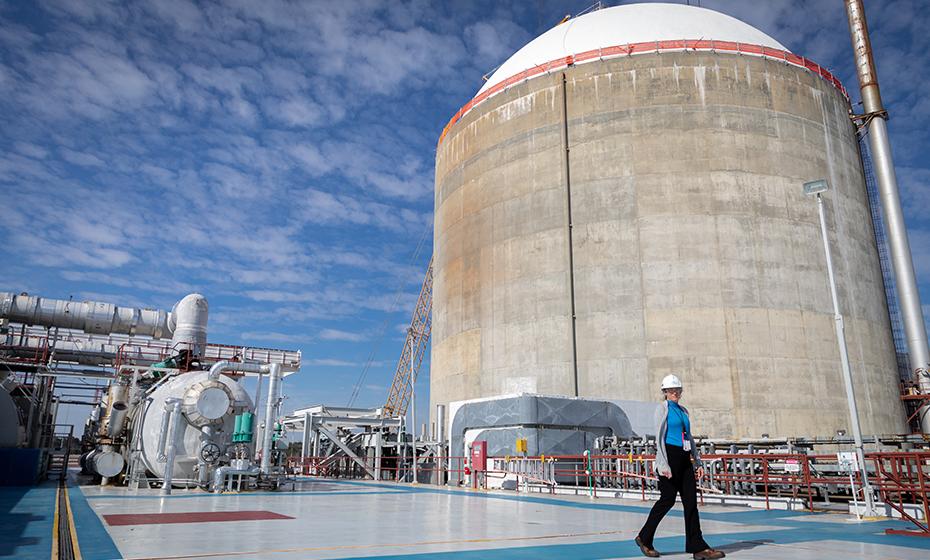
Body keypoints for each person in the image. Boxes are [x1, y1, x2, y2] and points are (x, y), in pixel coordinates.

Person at [634, 375, 725, 559]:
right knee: (667, 500)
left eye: (677, 390)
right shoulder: (662, 409)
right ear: (665, 392)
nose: (674, 393)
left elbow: (689, 437)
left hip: (684, 458)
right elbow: (659, 439)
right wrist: (663, 464)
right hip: (669, 457)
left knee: (691, 502)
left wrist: (697, 461)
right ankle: (644, 537)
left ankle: (697, 547)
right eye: (671, 390)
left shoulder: (684, 411)